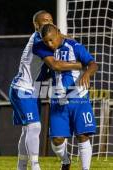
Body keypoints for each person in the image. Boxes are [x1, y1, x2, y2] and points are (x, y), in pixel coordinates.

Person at [9, 10, 84, 170]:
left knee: (27, 129)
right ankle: (35, 166)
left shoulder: (45, 37)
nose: (48, 22)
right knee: (34, 127)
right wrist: (81, 65)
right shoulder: (39, 40)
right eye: (44, 20)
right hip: (23, 88)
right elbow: (55, 65)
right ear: (36, 25)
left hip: (31, 89)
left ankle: (21, 166)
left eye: (50, 19)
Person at [34, 24, 97, 170]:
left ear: (58, 33)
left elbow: (93, 64)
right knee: (56, 139)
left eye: (52, 39)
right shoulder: (47, 53)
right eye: (46, 42)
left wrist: (87, 73)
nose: (50, 44)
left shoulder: (74, 46)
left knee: (83, 135)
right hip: (58, 100)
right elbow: (50, 70)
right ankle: (66, 160)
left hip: (78, 97)